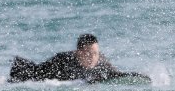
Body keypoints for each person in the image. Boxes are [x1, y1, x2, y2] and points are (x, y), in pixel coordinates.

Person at [8, 34, 150, 83]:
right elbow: (37, 74)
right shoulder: (62, 61)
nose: (93, 57)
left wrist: (138, 76)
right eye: (89, 53)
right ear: (79, 52)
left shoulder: (102, 62)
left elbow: (116, 74)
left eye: (96, 53)